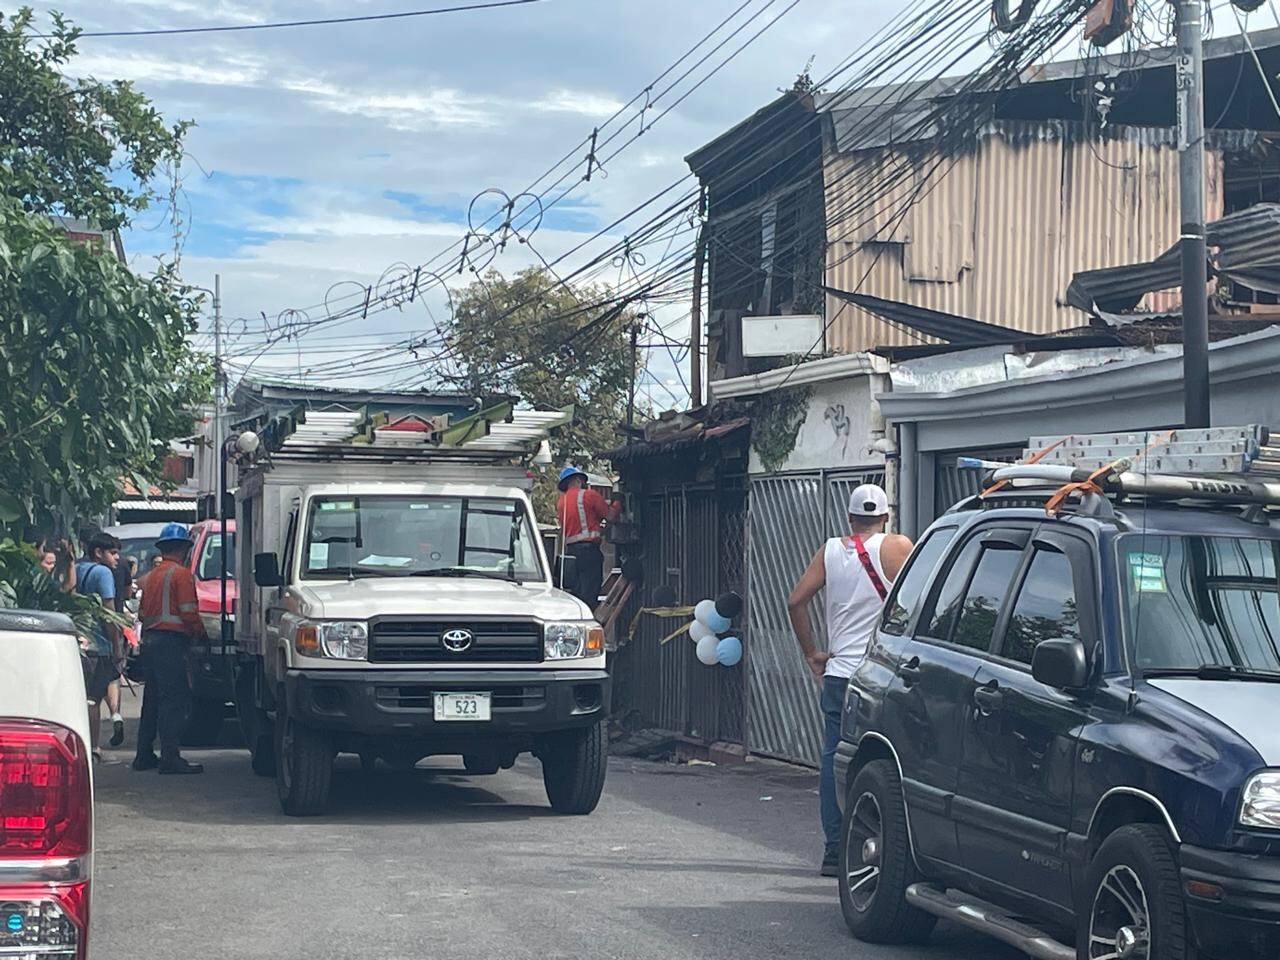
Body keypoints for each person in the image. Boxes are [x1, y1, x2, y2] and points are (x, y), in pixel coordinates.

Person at [787, 483, 913, 877]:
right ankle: (879, 847)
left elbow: (795, 601)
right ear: (886, 516)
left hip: (840, 673)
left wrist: (812, 653)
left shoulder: (830, 550)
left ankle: (834, 848)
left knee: (832, 758)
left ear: (849, 517)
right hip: (880, 674)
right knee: (884, 761)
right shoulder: (898, 546)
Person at [133, 523, 204, 775]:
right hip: (171, 644)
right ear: (184, 548)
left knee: (151, 700)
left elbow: (142, 614)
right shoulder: (182, 575)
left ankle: (143, 755)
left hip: (150, 642)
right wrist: (200, 632)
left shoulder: (150, 576)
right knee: (173, 700)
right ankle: (170, 758)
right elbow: (188, 612)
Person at [75, 531, 123, 761]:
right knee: (94, 699)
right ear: (98, 552)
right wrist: (116, 644)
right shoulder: (103, 573)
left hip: (76, 640)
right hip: (97, 645)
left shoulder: (76, 569)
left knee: (81, 696)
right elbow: (108, 612)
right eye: (113, 553)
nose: (117, 559)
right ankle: (94, 748)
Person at [555, 466, 617, 610]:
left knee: (576, 595)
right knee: (590, 594)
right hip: (589, 553)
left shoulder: (561, 502)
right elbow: (611, 516)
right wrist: (618, 502)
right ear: (578, 480)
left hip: (570, 554)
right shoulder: (589, 495)